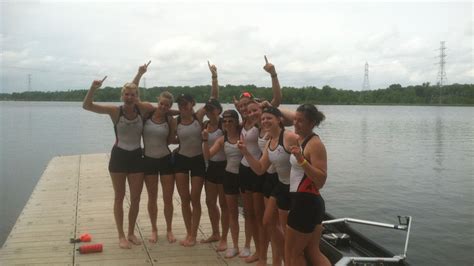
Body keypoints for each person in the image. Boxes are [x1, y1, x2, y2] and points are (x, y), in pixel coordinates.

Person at [82, 62, 154, 249]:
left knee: (136, 198)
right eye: (126, 94)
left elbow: (163, 110)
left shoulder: (143, 108)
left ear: (137, 96)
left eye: (133, 94)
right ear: (122, 96)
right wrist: (93, 88)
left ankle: (131, 232)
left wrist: (138, 74)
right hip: (119, 157)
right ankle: (121, 235)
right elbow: (87, 106)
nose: (129, 97)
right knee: (119, 196)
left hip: (137, 157)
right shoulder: (115, 111)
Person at [238, 106, 299, 265]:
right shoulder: (269, 141)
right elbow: (259, 169)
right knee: (267, 222)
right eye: (263, 118)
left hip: (294, 189)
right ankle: (280, 259)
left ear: (279, 119)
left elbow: (305, 159)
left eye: (269, 118)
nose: (265, 121)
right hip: (280, 185)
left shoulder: (290, 137)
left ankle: (289, 260)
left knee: (287, 232)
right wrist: (245, 152)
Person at [285, 104, 330, 266]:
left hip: (306, 203)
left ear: (311, 123)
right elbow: (281, 114)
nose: (295, 123)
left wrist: (302, 161)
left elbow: (321, 180)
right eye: (294, 119)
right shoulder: (300, 138)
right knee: (312, 251)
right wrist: (268, 105)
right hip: (305, 201)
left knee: (293, 254)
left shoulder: (315, 144)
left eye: (300, 121)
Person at [202, 109, 243, 259]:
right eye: (224, 121)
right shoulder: (222, 138)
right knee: (218, 206)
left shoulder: (244, 134)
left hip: (240, 175)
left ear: (236, 121)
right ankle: (223, 238)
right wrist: (205, 140)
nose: (227, 123)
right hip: (222, 173)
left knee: (244, 213)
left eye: (230, 121)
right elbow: (207, 155)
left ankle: (236, 243)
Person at [200, 62, 229, 251]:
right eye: (208, 110)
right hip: (209, 167)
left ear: (218, 110)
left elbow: (214, 96)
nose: (210, 112)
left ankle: (224, 238)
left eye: (213, 109)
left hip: (224, 167)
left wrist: (215, 76)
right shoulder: (204, 125)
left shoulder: (226, 124)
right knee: (210, 202)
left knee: (224, 203)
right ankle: (215, 232)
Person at [142, 91, 177, 243]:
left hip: (165, 160)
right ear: (158, 102)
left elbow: (170, 141)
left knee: (168, 199)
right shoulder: (146, 116)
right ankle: (154, 229)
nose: (163, 106)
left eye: (167, 105)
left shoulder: (170, 120)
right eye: (161, 103)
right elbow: (136, 101)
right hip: (148, 160)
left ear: (170, 107)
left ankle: (169, 229)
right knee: (152, 198)